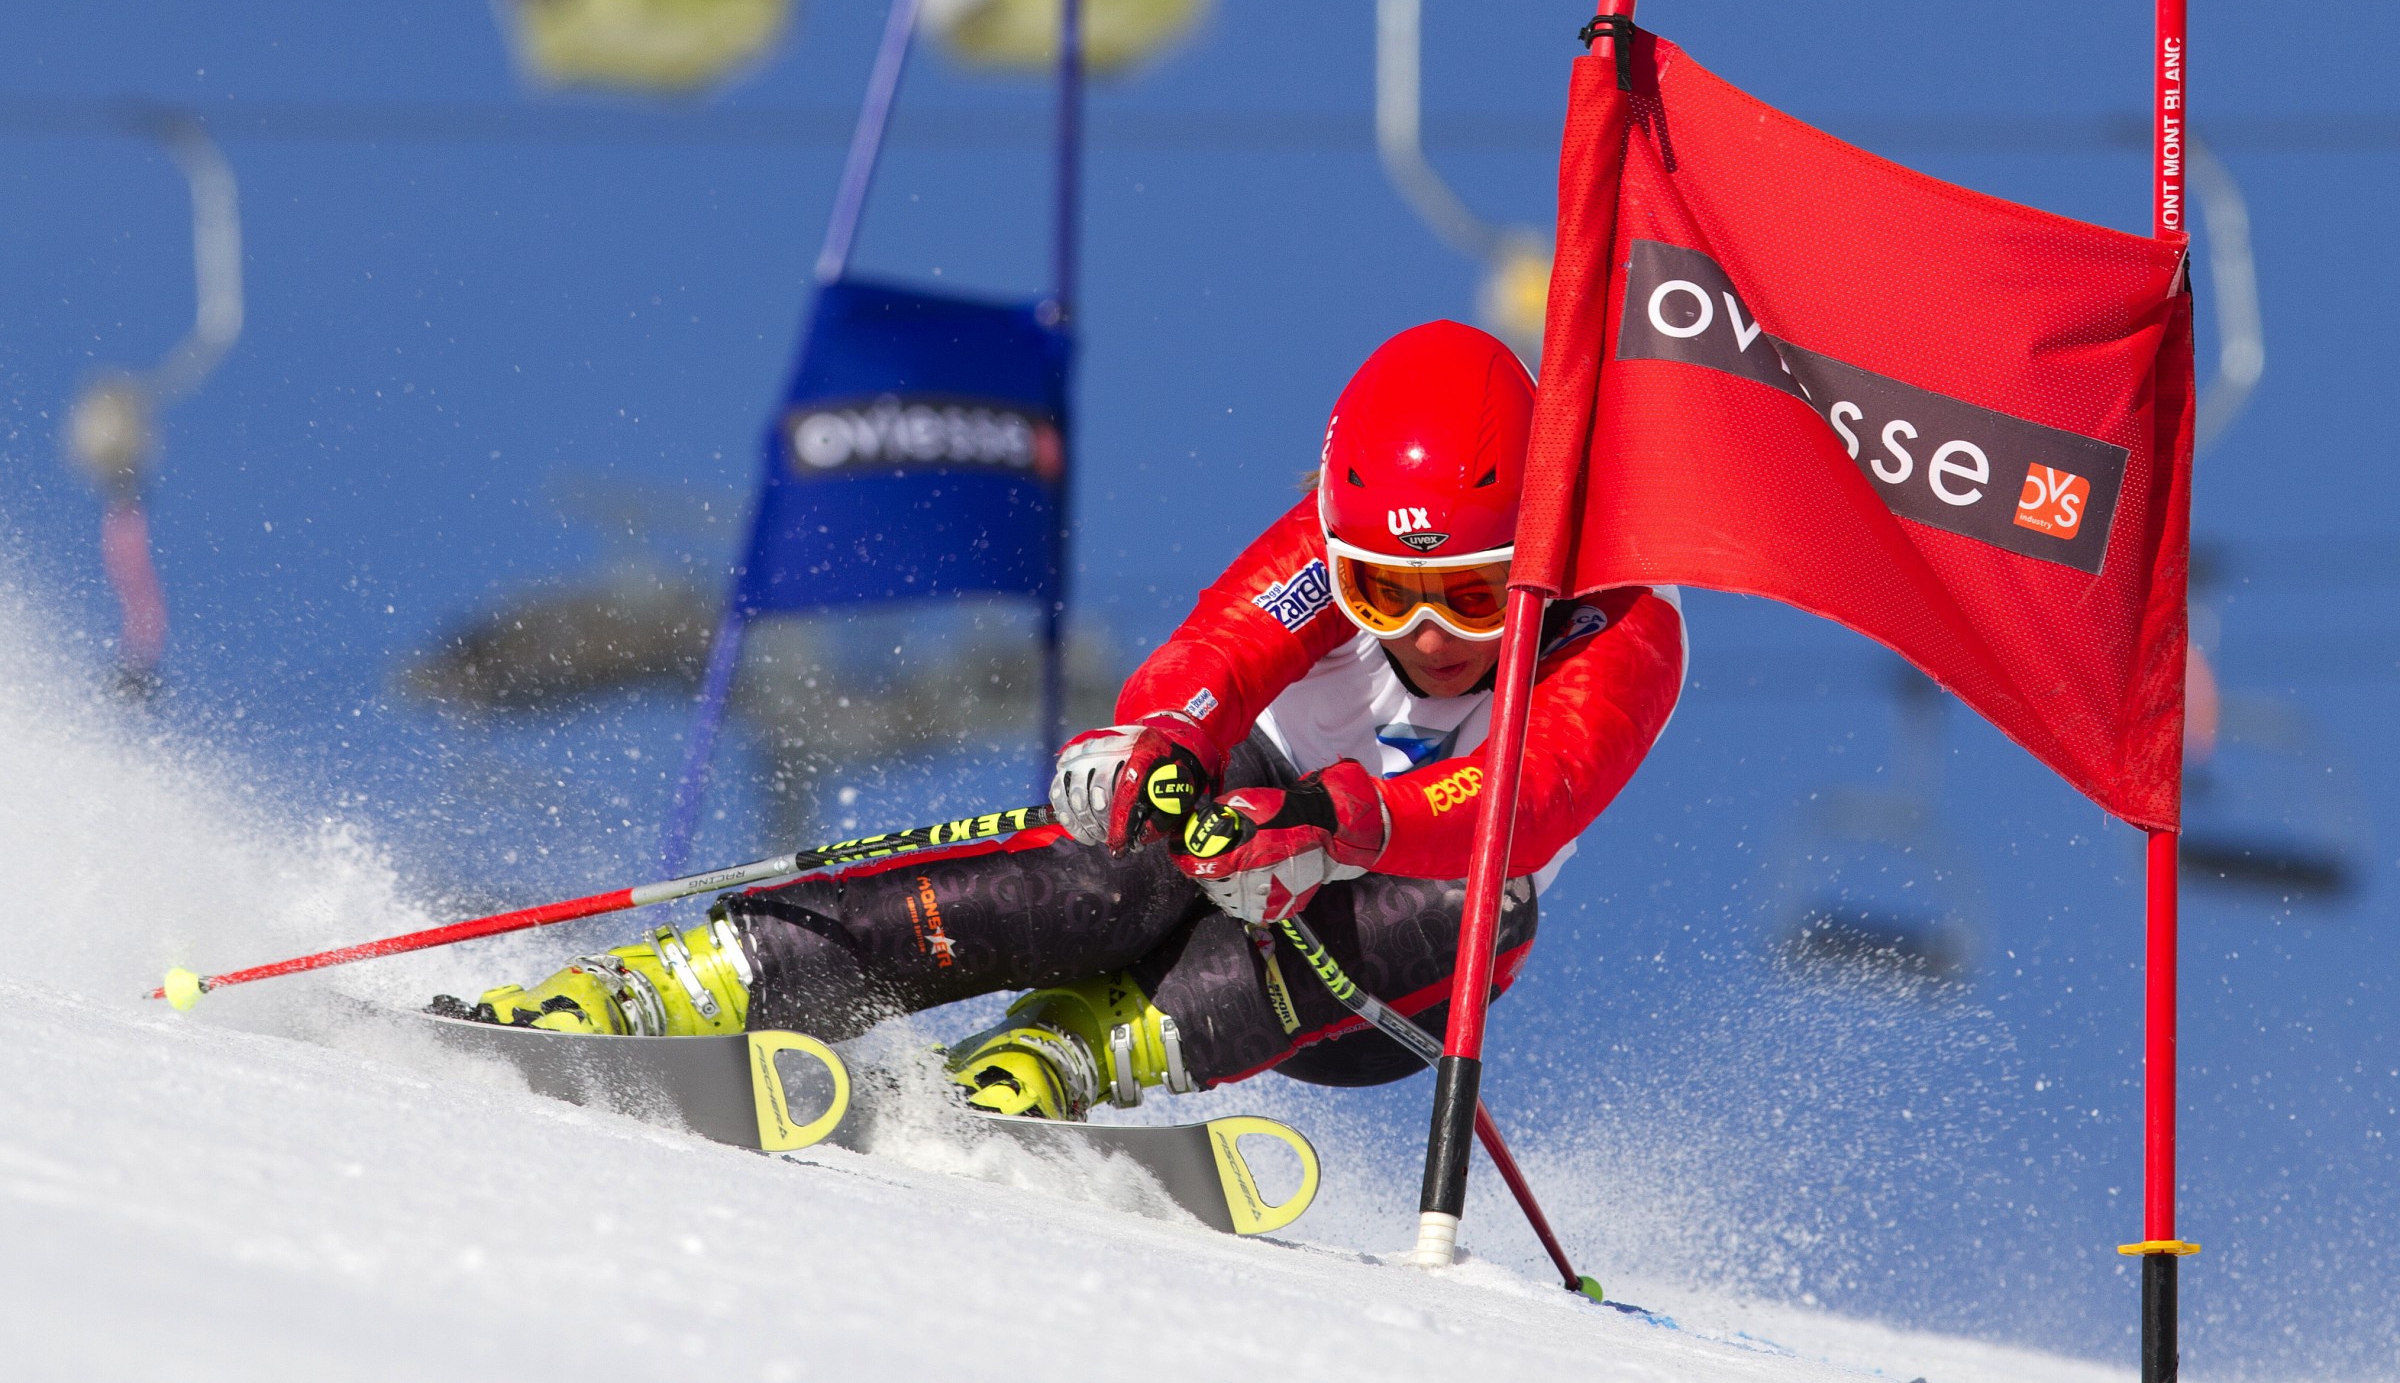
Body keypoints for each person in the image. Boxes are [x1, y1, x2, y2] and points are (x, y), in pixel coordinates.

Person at [451, 321, 1686, 1119]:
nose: (1428, 631)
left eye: (1475, 595)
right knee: (1110, 875)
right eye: (1382, 593)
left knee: (1466, 903)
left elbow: (1534, 792)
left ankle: (1089, 1045)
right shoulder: (1328, 542)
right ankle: (726, 968)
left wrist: (1331, 822)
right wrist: (1154, 747)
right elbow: (1220, 653)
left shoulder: (1623, 611)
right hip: (1260, 803)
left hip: (1387, 981)